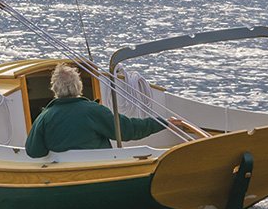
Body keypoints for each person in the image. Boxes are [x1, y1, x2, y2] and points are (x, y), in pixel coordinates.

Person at [24, 62, 182, 157]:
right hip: (99, 167)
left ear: (55, 89)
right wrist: (162, 123)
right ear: (79, 86)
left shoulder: (44, 117)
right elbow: (128, 130)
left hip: (64, 174)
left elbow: (33, 151)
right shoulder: (94, 111)